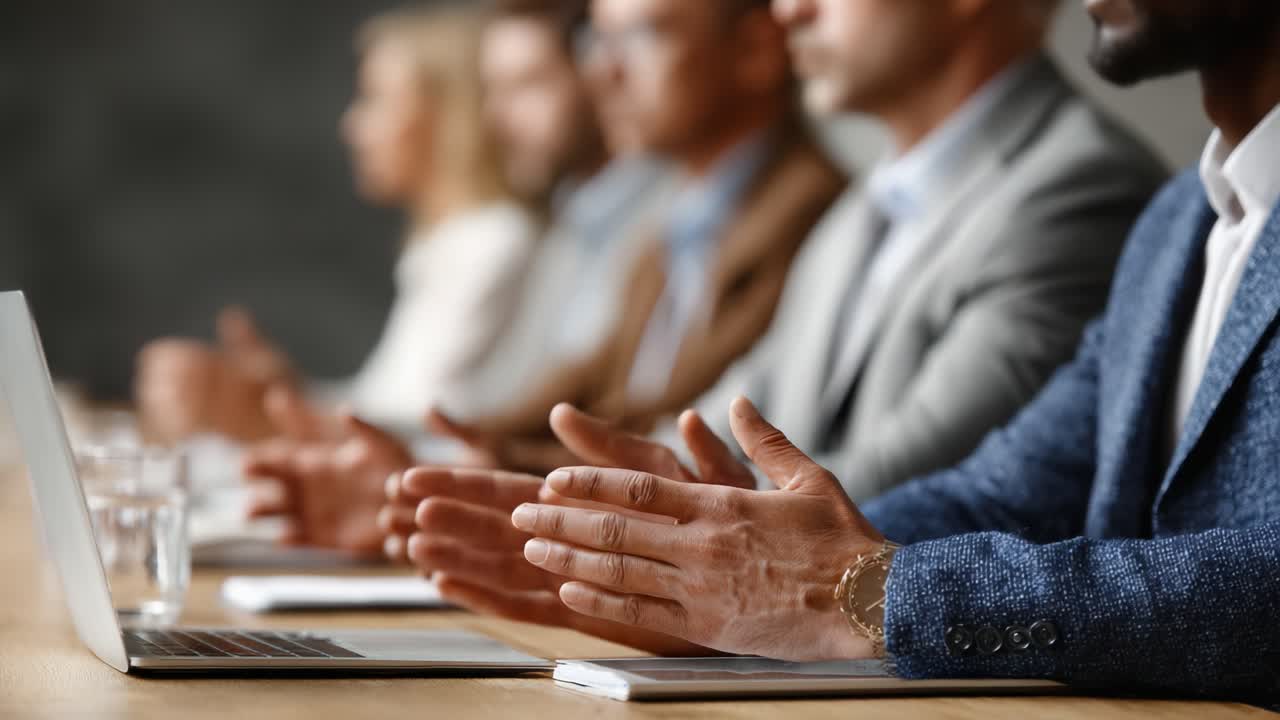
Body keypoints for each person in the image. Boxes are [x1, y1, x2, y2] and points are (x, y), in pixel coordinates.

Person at [409, 0, 1280, 704]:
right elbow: (1007, 489)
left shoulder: (1084, 192)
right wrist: (697, 553)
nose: (786, 11)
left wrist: (868, 589)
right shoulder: (1176, 222)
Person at [421, 0, 846, 471]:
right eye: (599, 41)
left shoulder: (815, 215)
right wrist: (446, 450)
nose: (603, 72)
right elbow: (588, 384)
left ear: (756, 49)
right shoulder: (670, 224)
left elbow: (684, 422)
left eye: (644, 36)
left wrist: (492, 463)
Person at [133, 5, 540, 442]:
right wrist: (283, 392)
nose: (352, 126)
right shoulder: (452, 245)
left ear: (449, 113)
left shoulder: (493, 243)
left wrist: (264, 413)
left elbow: (429, 435)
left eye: (375, 98)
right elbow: (386, 403)